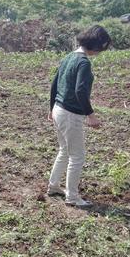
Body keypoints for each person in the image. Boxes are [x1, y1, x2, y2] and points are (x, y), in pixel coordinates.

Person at [47, 25, 112, 207]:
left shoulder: (69, 57)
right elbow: (80, 91)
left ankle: (53, 186)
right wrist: (91, 115)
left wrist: (51, 108)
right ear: (96, 44)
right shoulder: (83, 62)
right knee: (77, 156)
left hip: (59, 110)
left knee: (64, 151)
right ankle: (72, 198)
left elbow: (54, 84)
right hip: (69, 114)